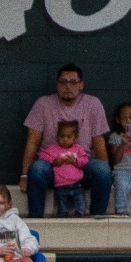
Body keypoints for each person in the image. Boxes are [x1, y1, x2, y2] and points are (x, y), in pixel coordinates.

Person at [21, 64, 111, 217]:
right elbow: (32, 143)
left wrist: (106, 173)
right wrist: (24, 176)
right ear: (57, 84)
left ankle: (98, 221)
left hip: (82, 163)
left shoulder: (93, 104)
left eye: (73, 82)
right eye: (63, 82)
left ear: (81, 84)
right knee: (36, 170)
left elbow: (99, 142)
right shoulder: (43, 104)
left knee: (102, 171)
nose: (68, 86)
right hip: (51, 165)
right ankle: (35, 222)